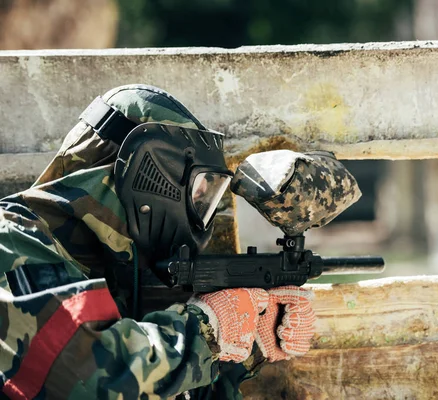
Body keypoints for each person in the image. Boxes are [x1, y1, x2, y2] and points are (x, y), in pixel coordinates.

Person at [0, 84, 316, 399]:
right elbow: (81, 380)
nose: (199, 215)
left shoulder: (118, 270)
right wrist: (206, 329)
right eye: (196, 192)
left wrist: (247, 346)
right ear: (145, 174)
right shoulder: (13, 239)